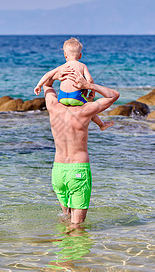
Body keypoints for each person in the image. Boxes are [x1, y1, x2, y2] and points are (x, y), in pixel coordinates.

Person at [42, 69, 120, 225]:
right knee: (77, 226)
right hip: (77, 170)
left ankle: (61, 248)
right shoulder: (85, 111)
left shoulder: (53, 107)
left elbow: (47, 85)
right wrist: (89, 84)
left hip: (58, 171)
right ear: (83, 93)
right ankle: (77, 248)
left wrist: (57, 76)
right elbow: (114, 95)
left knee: (65, 220)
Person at [34, 37, 114, 131]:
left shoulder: (63, 67)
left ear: (65, 55)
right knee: (90, 112)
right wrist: (92, 90)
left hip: (62, 98)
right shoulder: (82, 66)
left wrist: (38, 85)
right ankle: (102, 125)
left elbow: (48, 74)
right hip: (75, 97)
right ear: (80, 55)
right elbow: (90, 80)